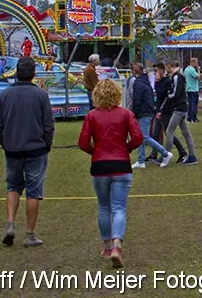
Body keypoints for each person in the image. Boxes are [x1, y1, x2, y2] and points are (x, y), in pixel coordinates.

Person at [76, 79, 141, 267]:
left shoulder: (91, 116)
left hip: (100, 166)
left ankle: (106, 246)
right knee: (119, 208)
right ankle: (117, 244)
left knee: (104, 207)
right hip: (121, 165)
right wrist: (127, 148)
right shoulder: (126, 114)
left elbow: (83, 143)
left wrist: (95, 152)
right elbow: (138, 137)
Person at [0, 57, 54, 248]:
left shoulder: (4, 95)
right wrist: (46, 145)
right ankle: (30, 234)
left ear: (16, 72)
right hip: (36, 149)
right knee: (34, 192)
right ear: (34, 73)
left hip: (13, 149)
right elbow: (49, 125)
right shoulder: (41, 95)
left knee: (12, 186)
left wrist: (6, 142)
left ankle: (10, 223)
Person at [129, 64, 172, 169]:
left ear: (134, 72)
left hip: (143, 112)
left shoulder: (138, 83)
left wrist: (133, 113)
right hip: (147, 110)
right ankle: (141, 160)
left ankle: (165, 153)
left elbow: (137, 99)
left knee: (144, 137)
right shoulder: (145, 81)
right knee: (141, 136)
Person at [158, 61, 198, 165]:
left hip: (178, 108)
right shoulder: (178, 77)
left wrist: (168, 95)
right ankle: (192, 155)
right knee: (186, 133)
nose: (166, 70)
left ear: (170, 66)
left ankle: (165, 155)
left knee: (169, 131)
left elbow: (175, 94)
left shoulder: (176, 77)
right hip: (182, 107)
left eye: (167, 68)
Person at [149, 63, 185, 162]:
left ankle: (182, 151)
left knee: (168, 133)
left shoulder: (167, 81)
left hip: (165, 111)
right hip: (158, 109)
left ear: (161, 70)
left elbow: (161, 93)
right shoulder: (161, 81)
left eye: (156, 71)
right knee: (155, 133)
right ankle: (154, 154)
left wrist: (157, 82)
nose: (155, 73)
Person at [184, 58, 201, 123]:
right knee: (194, 104)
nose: (197, 64)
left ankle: (189, 118)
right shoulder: (192, 69)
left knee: (190, 104)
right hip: (194, 89)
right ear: (193, 62)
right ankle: (194, 118)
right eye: (196, 62)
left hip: (188, 88)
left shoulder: (186, 69)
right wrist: (198, 70)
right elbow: (198, 77)